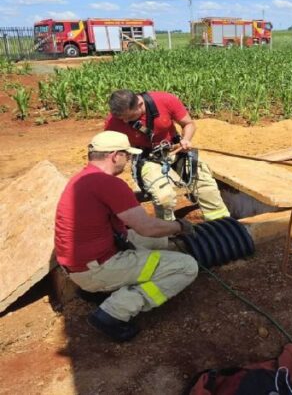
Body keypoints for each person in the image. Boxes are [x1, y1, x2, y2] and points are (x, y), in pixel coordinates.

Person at [54, 131, 198, 342]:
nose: (129, 161)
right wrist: (179, 226)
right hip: (97, 270)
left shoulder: (83, 178)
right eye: (127, 156)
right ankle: (113, 312)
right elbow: (146, 227)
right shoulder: (110, 184)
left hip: (80, 266)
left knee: (159, 241)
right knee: (187, 267)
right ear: (114, 156)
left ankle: (97, 291)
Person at [105, 89, 231, 221]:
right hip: (147, 157)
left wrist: (186, 139)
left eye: (129, 117)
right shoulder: (113, 122)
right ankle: (168, 231)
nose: (125, 121)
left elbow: (188, 124)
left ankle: (222, 222)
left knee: (204, 183)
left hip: (175, 148)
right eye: (122, 118)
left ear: (139, 104)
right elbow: (110, 149)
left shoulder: (165, 100)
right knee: (163, 197)